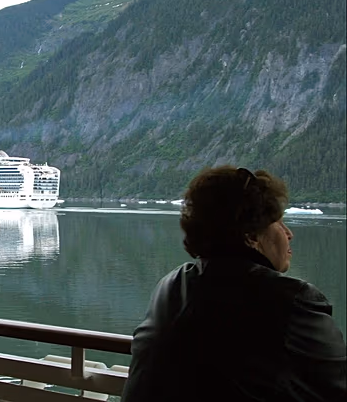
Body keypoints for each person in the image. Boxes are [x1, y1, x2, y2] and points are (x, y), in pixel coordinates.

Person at [122, 166, 346, 402]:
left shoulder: (170, 286)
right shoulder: (292, 301)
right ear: (250, 235)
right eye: (279, 223)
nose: (289, 233)